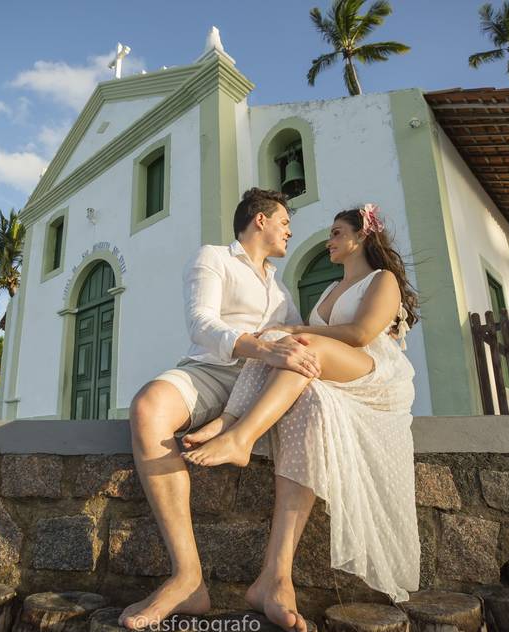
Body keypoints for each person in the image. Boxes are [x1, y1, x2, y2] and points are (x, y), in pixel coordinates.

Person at [180, 203, 421, 606]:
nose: (330, 240)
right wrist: (282, 335)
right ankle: (274, 578)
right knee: (283, 348)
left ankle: (240, 435)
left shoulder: (383, 280)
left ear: (362, 237)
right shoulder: (329, 290)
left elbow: (361, 334)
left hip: (375, 373)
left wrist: (293, 328)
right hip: (332, 372)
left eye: (337, 233)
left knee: (295, 341)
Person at [119, 188, 320, 632]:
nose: (290, 228)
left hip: (264, 385)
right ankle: (187, 577)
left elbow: (297, 340)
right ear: (260, 220)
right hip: (210, 370)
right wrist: (263, 348)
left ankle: (276, 576)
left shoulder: (282, 289)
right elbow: (202, 323)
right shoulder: (213, 257)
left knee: (315, 403)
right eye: (284, 219)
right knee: (148, 406)